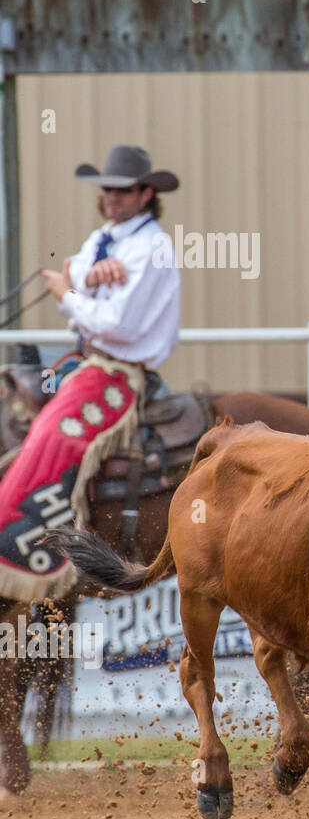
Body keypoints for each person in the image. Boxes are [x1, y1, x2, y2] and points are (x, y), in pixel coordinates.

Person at [0, 145, 180, 601]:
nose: (111, 198)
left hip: (119, 372)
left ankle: (31, 547)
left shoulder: (152, 247)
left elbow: (117, 325)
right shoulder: (110, 237)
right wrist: (88, 276)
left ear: (145, 193)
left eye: (122, 191)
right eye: (107, 190)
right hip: (91, 360)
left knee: (55, 435)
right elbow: (74, 266)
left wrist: (67, 294)